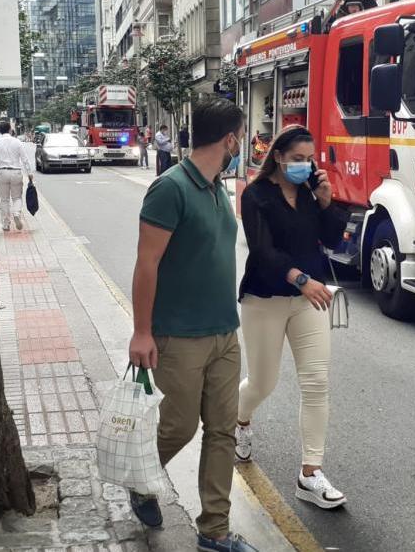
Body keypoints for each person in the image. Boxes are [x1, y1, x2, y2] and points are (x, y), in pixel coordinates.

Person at [128, 101, 258, 552]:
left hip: (225, 332)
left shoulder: (217, 188)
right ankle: (141, 479)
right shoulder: (171, 188)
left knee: (222, 431)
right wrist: (142, 332)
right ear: (229, 140)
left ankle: (214, 530)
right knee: (179, 428)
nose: (241, 144)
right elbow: (147, 264)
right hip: (178, 336)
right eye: (240, 136)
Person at [234, 126, 349, 510]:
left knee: (316, 382)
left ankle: (310, 473)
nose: (304, 166)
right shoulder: (256, 195)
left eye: (309, 159)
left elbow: (334, 241)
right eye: (297, 159)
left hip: (307, 300)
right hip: (264, 297)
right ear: (278, 156)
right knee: (263, 382)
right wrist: (301, 279)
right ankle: (240, 420)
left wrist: (326, 201)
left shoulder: (308, 193)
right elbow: (262, 249)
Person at [0, 120, 34, 232]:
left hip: (2, 172)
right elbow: (25, 159)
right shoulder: (17, 142)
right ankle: (16, 214)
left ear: (0, 131)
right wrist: (29, 173)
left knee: (4, 199)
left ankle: (6, 224)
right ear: (10, 130)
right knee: (17, 197)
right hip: (16, 172)